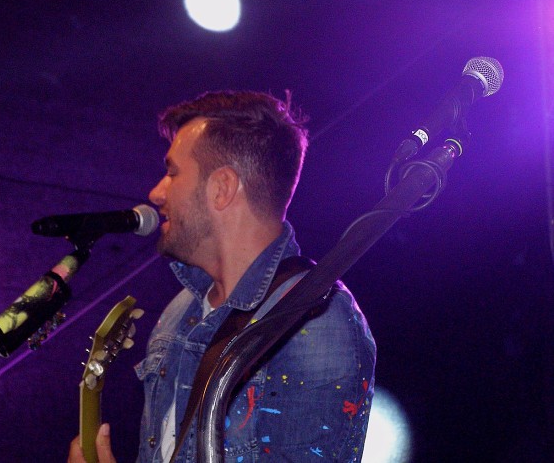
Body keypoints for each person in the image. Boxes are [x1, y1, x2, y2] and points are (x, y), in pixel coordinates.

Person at [69, 90, 376, 462]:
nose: (156, 192)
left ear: (222, 188)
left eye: (172, 173)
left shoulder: (315, 319)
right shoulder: (179, 311)